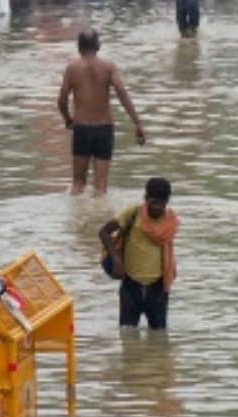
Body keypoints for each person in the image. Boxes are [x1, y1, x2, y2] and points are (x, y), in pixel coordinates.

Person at [58, 27, 145, 196]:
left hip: (81, 128)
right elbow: (122, 93)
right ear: (98, 45)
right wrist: (137, 123)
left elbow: (61, 99)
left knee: (77, 184)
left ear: (79, 47)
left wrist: (68, 119)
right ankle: (99, 219)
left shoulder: (72, 68)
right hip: (104, 129)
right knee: (100, 186)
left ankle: (76, 219)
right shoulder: (108, 67)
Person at [98, 177, 178, 330]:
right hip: (130, 286)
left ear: (167, 202)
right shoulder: (132, 213)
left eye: (162, 204)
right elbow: (103, 232)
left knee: (159, 339)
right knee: (127, 334)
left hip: (159, 288)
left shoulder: (170, 221)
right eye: (153, 202)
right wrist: (116, 260)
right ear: (146, 198)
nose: (157, 208)